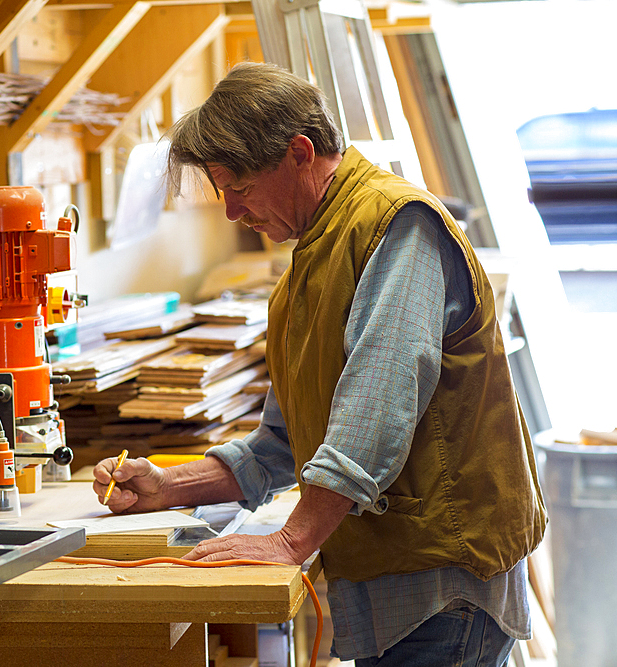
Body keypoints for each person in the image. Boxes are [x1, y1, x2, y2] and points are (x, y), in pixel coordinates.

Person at [93, 62, 547, 666]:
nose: (231, 213)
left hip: (443, 583)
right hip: (400, 580)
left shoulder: (396, 225)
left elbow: (375, 412)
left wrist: (291, 539)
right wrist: (168, 487)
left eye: (240, 189)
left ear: (300, 153)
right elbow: (284, 444)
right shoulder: (314, 252)